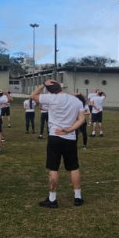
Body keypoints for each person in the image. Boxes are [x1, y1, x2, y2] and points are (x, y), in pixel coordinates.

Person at [31, 79, 85, 208]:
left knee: (53, 168)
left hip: (55, 137)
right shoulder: (76, 100)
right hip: (70, 138)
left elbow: (33, 96)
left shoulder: (50, 98)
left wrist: (43, 84)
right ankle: (78, 197)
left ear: (49, 90)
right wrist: (69, 129)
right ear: (60, 87)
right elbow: (82, 119)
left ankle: (52, 199)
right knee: (73, 168)